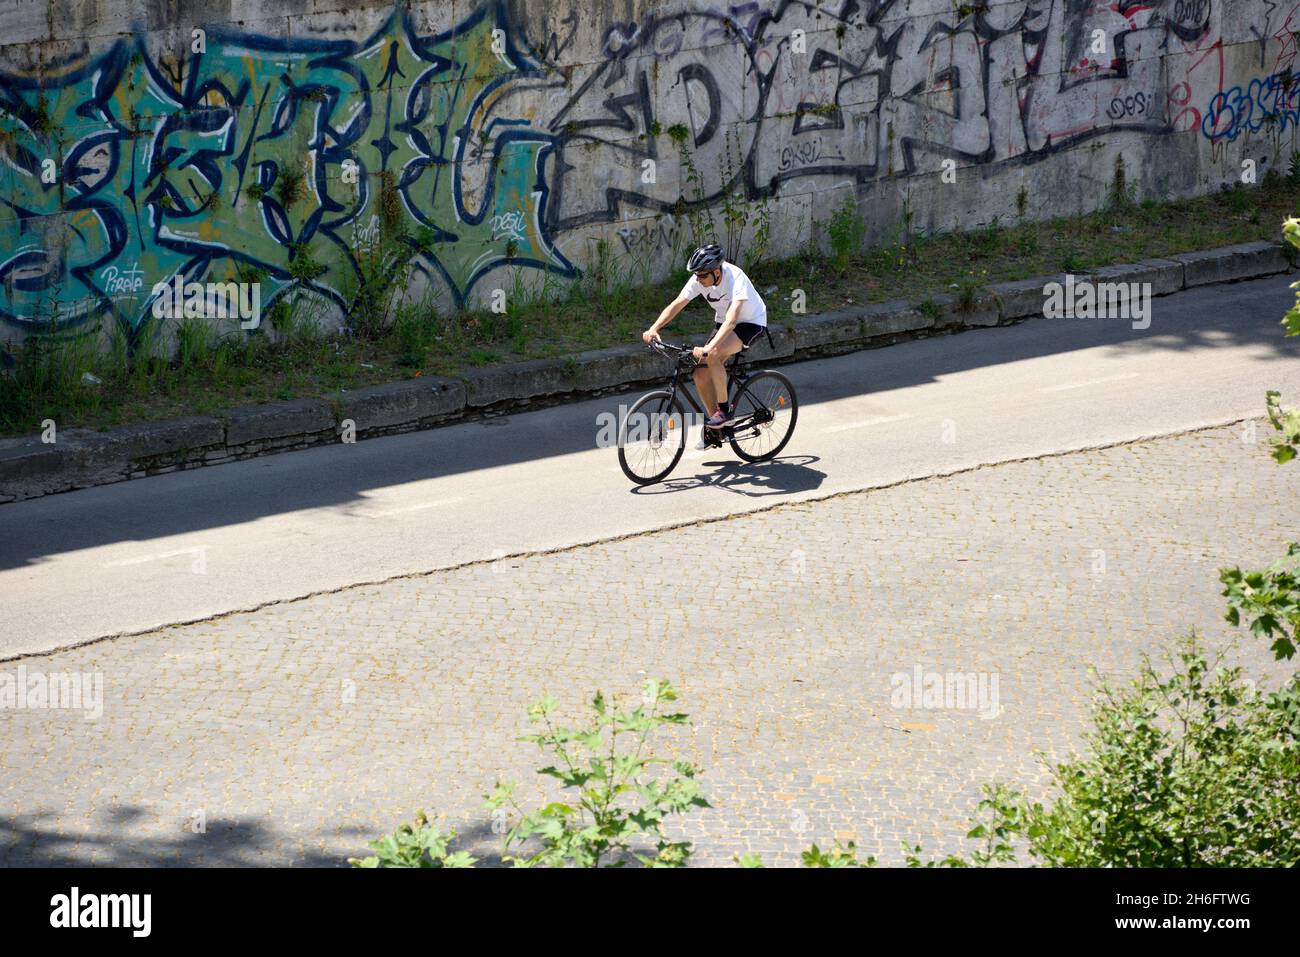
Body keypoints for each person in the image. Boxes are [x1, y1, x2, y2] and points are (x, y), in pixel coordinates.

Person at [641, 243, 768, 448]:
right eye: (696, 275)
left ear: (716, 272)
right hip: (723, 322)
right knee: (699, 375)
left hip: (750, 322)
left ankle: (724, 411)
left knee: (713, 354)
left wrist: (709, 349)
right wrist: (654, 328)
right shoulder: (700, 278)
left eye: (702, 276)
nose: (698, 279)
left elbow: (733, 321)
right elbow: (677, 304)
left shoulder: (736, 277)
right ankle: (714, 428)